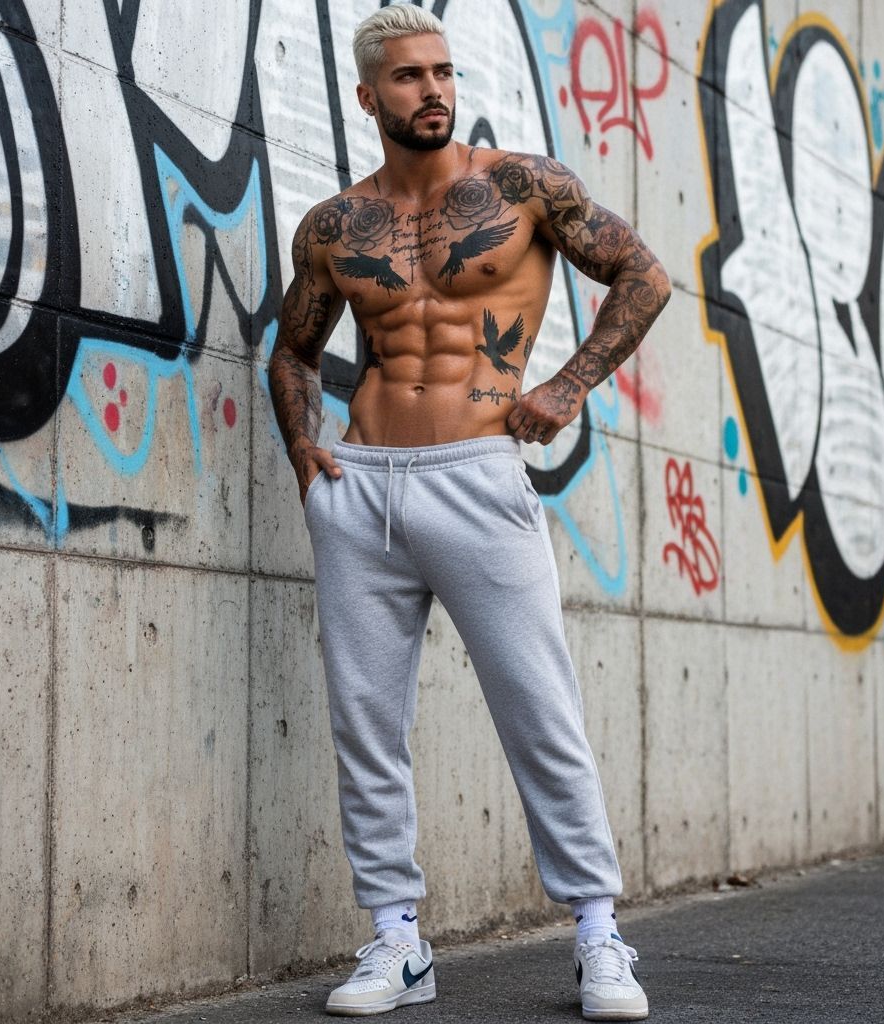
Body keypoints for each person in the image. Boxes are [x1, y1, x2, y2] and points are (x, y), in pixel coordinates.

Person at [267, 5, 670, 1019]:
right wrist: (306, 455)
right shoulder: (332, 226)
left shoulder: (522, 187)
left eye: (442, 72)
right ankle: (396, 940)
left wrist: (570, 384)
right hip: (360, 488)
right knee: (367, 724)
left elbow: (644, 275)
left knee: (540, 711)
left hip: (477, 473)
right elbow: (294, 350)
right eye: (407, 77)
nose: (432, 90)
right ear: (369, 96)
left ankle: (595, 936)